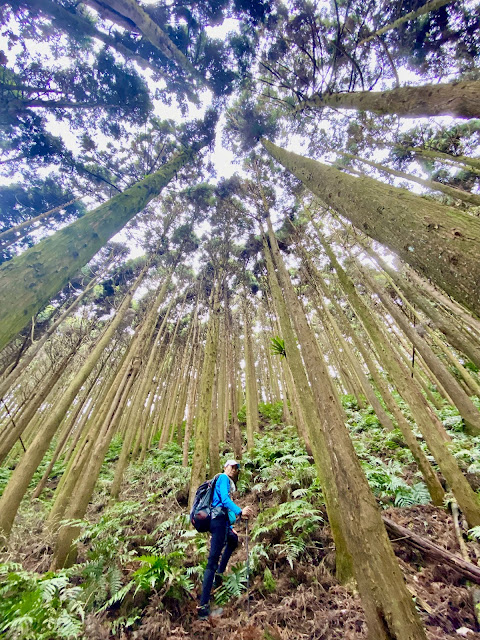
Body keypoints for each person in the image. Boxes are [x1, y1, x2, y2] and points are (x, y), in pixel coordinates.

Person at [197, 459, 254, 620]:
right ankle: (203, 607)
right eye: (232, 467)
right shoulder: (222, 478)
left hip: (221, 523)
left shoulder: (224, 482)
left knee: (233, 539)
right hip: (217, 522)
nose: (234, 470)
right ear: (225, 467)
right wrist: (239, 511)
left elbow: (219, 505)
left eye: (236, 468)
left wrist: (229, 528)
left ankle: (218, 576)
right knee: (212, 561)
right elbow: (223, 500)